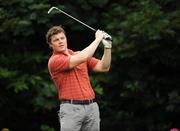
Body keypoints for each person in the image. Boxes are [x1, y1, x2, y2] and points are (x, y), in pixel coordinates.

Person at [46, 25, 112, 131]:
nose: (60, 41)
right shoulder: (54, 61)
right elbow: (83, 57)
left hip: (91, 107)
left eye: (62, 38)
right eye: (56, 40)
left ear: (66, 39)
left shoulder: (78, 54)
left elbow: (104, 67)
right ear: (51, 44)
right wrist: (97, 40)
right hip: (71, 108)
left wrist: (107, 47)